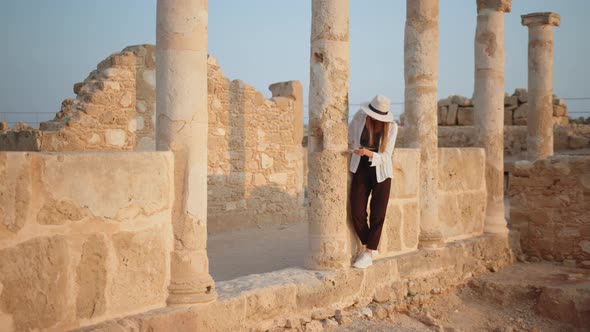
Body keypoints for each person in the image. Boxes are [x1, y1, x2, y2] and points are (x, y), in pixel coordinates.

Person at [348, 95, 399, 269]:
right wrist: (354, 150)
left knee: (378, 213)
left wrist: (368, 153)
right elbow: (349, 136)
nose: (373, 118)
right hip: (360, 166)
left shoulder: (392, 127)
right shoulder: (360, 117)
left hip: (382, 170)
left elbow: (386, 156)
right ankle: (368, 245)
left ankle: (369, 252)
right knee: (357, 211)